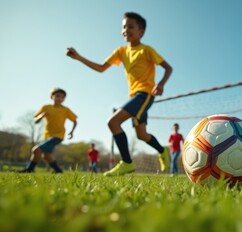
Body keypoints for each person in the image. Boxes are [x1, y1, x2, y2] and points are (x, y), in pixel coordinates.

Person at [67, 12, 172, 176]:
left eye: (130, 26)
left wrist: (160, 84)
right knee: (141, 134)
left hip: (144, 94)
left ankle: (127, 163)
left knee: (113, 121)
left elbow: (168, 68)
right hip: (134, 96)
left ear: (141, 31)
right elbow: (101, 68)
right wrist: (79, 57)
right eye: (123, 27)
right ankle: (162, 150)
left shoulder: (147, 50)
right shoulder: (121, 51)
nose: (125, 30)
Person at [19, 88, 77, 173]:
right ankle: (58, 171)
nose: (59, 98)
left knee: (36, 150)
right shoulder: (46, 107)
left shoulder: (65, 110)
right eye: (57, 96)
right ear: (52, 96)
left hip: (58, 135)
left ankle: (29, 169)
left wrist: (72, 132)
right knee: (46, 155)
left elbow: (75, 121)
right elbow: (36, 120)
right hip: (47, 135)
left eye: (62, 97)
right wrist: (41, 116)